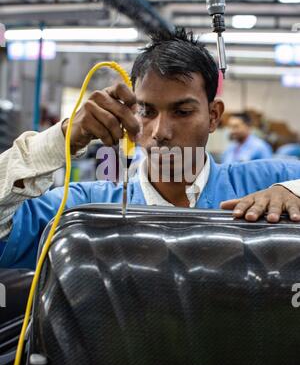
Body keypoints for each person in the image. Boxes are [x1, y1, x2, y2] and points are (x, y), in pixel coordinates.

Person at [0, 28, 300, 270]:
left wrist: (295, 191)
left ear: (213, 116)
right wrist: (58, 140)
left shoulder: (269, 183)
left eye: (181, 112)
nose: (160, 132)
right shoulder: (86, 208)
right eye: (147, 112)